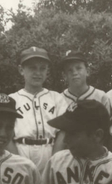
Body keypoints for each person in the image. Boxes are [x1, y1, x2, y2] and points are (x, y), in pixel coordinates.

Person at [8, 46, 68, 174]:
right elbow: (7, 134)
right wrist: (17, 161)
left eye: (42, 68)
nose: (38, 73)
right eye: (32, 68)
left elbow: (63, 131)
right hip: (21, 150)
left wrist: (55, 159)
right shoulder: (11, 100)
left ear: (47, 71)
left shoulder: (56, 98)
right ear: (21, 70)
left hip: (50, 149)